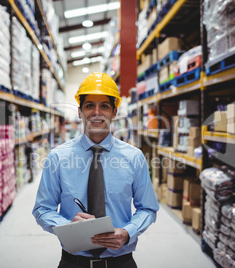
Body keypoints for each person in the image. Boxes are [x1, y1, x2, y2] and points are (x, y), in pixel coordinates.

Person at [33, 72, 159, 268]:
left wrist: (128, 232)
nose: (97, 112)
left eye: (105, 106)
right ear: (80, 112)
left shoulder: (134, 157)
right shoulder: (58, 157)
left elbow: (148, 208)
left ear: (114, 112)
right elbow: (42, 209)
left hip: (121, 261)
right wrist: (66, 227)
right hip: (73, 262)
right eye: (90, 105)